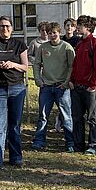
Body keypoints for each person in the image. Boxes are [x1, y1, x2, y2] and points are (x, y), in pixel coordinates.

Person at [0, 16, 28, 172]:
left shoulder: (20, 45)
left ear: (12, 28)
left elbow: (25, 67)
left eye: (7, 26)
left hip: (17, 88)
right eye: (2, 26)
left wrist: (13, 64)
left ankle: (16, 157)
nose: (5, 29)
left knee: (14, 124)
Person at [31, 22, 75, 152]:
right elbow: (37, 64)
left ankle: (70, 142)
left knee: (66, 116)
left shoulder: (67, 47)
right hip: (46, 87)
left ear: (59, 33)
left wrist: (66, 82)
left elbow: (72, 66)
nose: (52, 35)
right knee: (43, 115)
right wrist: (38, 79)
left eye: (54, 32)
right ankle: (39, 140)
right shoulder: (43, 47)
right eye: (49, 33)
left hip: (62, 88)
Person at [69, 15, 96, 154]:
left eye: (80, 25)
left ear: (88, 27)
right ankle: (78, 144)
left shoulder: (95, 44)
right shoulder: (79, 44)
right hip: (77, 86)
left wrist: (94, 85)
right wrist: (72, 80)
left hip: (90, 88)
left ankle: (93, 145)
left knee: (92, 117)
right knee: (77, 117)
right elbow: (75, 64)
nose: (77, 27)